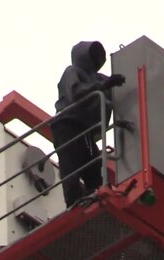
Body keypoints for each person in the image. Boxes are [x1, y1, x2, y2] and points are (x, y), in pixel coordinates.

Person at [51, 41, 125, 207]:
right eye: (93, 54)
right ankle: (73, 202)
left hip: (85, 130)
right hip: (67, 124)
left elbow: (114, 84)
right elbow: (75, 92)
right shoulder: (72, 71)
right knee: (70, 164)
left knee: (95, 168)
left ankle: (95, 194)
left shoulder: (96, 78)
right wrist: (103, 85)